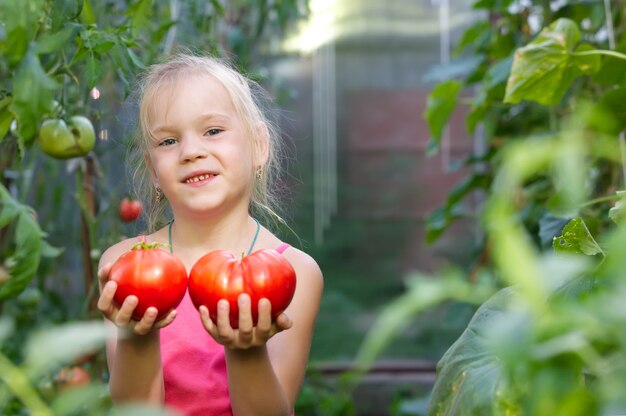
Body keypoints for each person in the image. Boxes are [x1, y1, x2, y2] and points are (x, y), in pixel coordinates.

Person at [96, 53, 324, 416]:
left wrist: (246, 349)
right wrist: (138, 336)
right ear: (153, 170)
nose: (191, 152)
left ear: (259, 145)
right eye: (168, 141)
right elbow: (136, 410)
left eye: (213, 131)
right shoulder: (122, 265)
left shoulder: (296, 271)